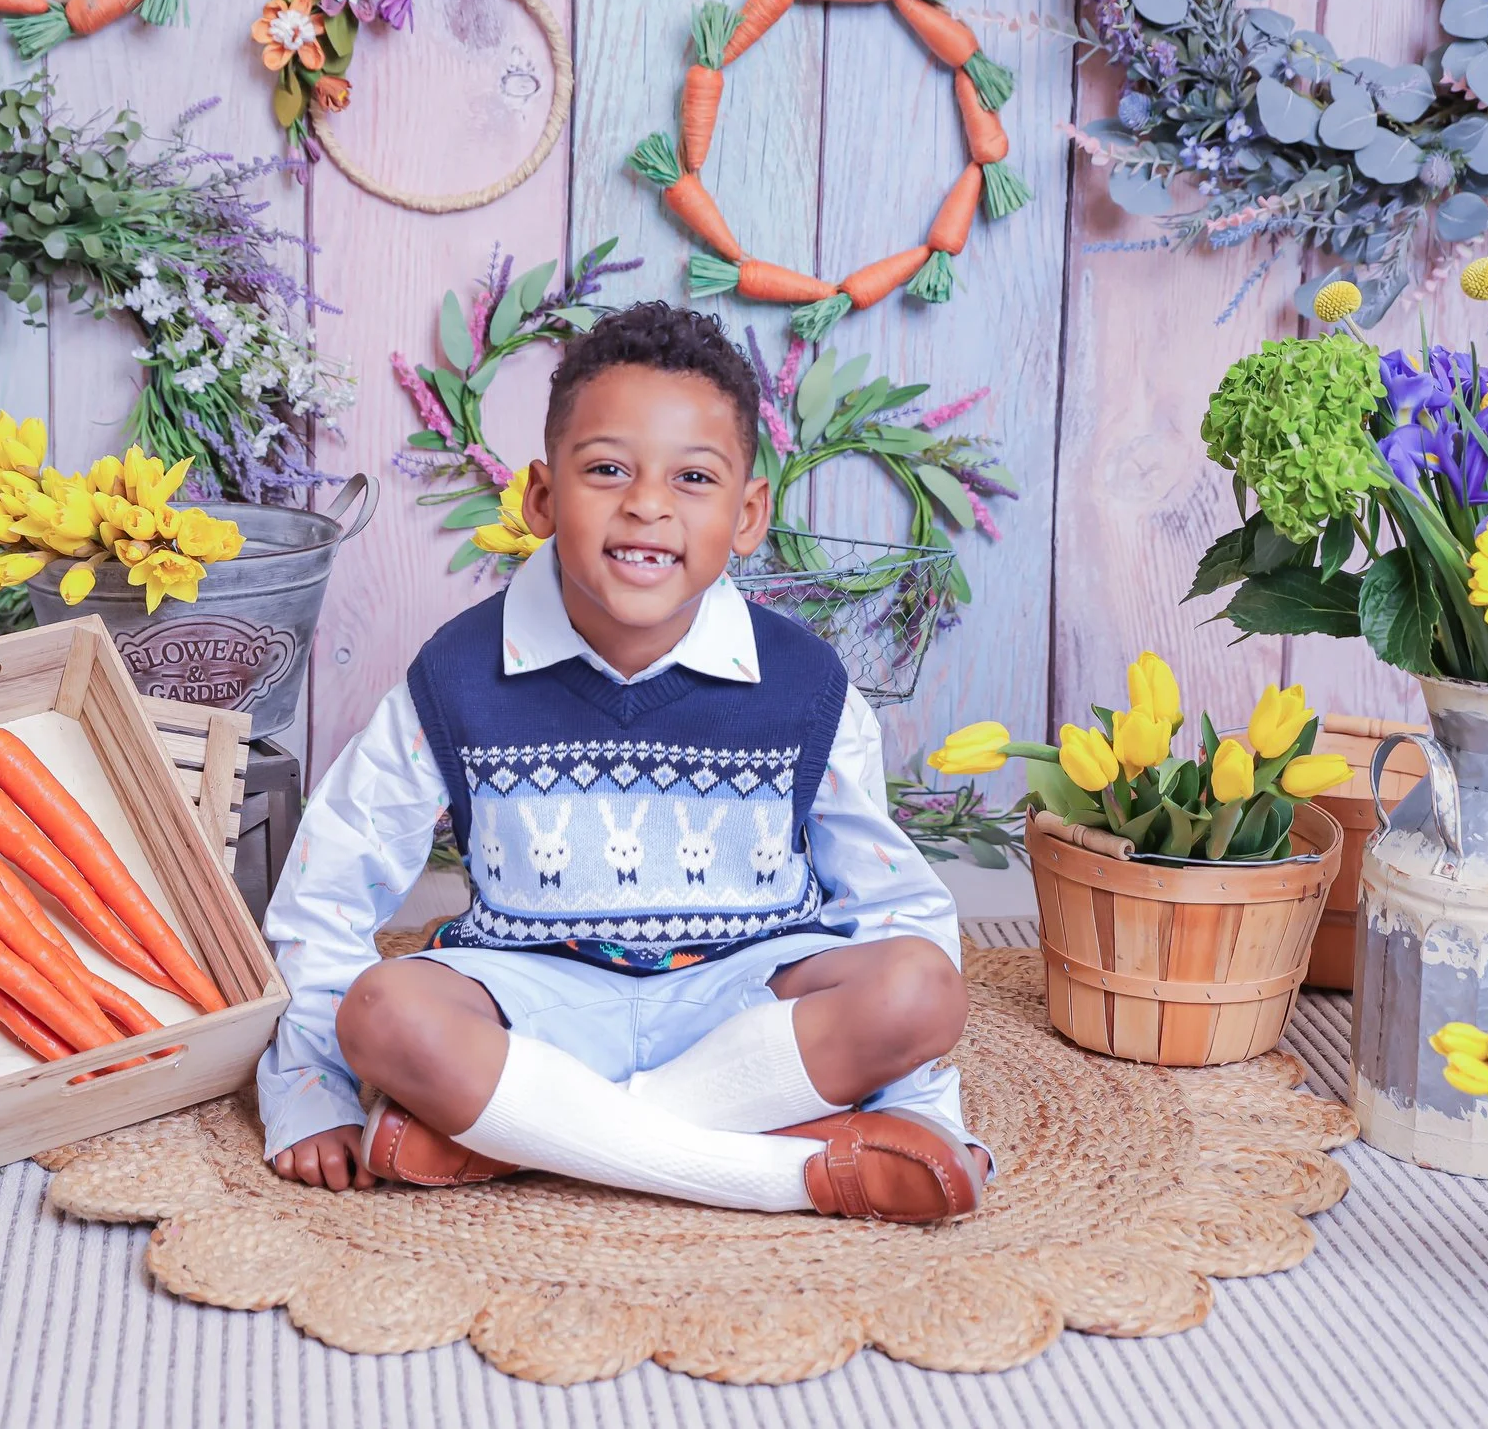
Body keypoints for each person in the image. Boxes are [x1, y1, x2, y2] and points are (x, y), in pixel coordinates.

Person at [254, 302, 987, 1222]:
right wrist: (314, 1086)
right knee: (382, 1013)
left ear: (749, 512)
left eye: (694, 476)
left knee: (922, 986)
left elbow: (892, 908)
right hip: (531, 1004)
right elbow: (332, 883)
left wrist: (912, 1098)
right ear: (541, 498)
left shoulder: (804, 683)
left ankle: (524, 1141)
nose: (648, 503)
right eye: (607, 470)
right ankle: (772, 1172)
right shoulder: (457, 674)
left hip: (747, 1007)